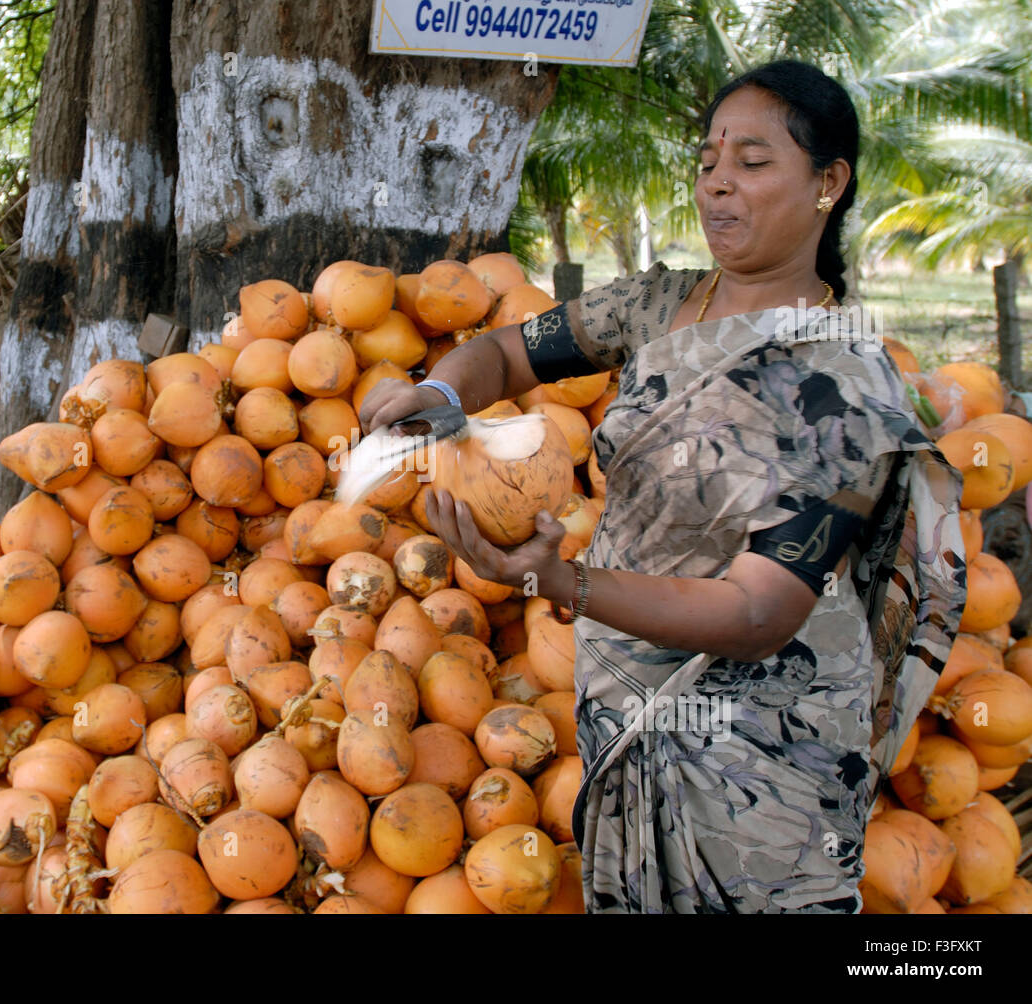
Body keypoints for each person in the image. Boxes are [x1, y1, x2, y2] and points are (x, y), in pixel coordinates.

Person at [359, 59, 966, 913]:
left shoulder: (845, 391)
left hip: (761, 748)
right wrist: (443, 395)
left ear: (829, 182)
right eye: (709, 160)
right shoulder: (657, 305)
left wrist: (553, 579)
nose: (718, 184)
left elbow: (758, 615)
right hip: (626, 701)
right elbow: (502, 350)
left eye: (752, 163)